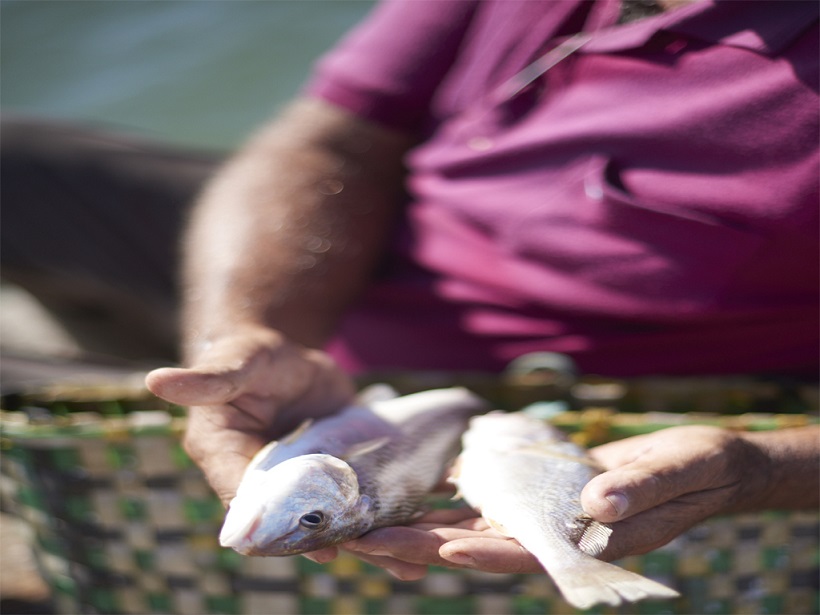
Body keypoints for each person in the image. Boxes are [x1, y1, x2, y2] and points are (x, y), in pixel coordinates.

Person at [2, 0, 818, 581]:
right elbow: (335, 138)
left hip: (540, 390)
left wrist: (767, 466)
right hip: (348, 272)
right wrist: (252, 330)